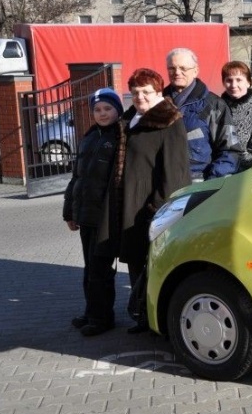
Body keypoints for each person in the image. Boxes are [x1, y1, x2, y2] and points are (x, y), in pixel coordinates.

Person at [104, 68, 191, 334]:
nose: (140, 97)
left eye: (146, 92)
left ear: (158, 92)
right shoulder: (130, 121)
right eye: (135, 92)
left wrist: (160, 209)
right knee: (134, 260)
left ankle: (156, 317)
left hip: (150, 208)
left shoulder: (169, 122)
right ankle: (141, 315)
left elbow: (175, 173)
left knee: (152, 264)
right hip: (128, 204)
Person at [63, 88, 125, 336]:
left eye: (107, 108)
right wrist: (69, 212)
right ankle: (91, 311)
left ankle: (102, 318)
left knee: (100, 270)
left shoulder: (120, 138)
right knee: (89, 269)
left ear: (117, 110)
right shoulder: (89, 137)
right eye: (97, 110)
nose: (102, 113)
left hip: (105, 218)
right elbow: (76, 178)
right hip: (85, 215)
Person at [164, 48, 239, 181]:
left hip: (197, 182)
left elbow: (230, 150)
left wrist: (211, 182)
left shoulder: (213, 105)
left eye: (183, 68)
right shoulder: (157, 103)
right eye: (172, 68)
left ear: (196, 70)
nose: (177, 73)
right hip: (163, 183)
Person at [220, 61, 252, 170]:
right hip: (213, 174)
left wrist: (228, 162)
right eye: (229, 80)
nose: (234, 85)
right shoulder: (215, 110)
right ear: (223, 83)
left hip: (242, 175)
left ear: (248, 82)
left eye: (239, 80)